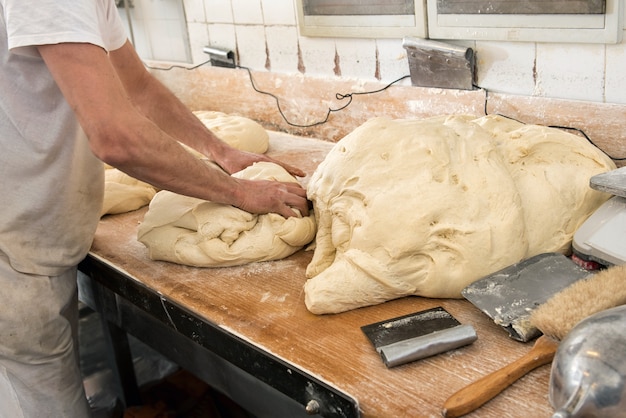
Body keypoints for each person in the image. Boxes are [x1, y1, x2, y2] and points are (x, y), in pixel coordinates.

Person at [0, 0, 310, 416]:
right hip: (12, 249)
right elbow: (117, 138)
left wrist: (219, 151)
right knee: (44, 401)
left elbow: (137, 87)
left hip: (32, 234)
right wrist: (238, 192)